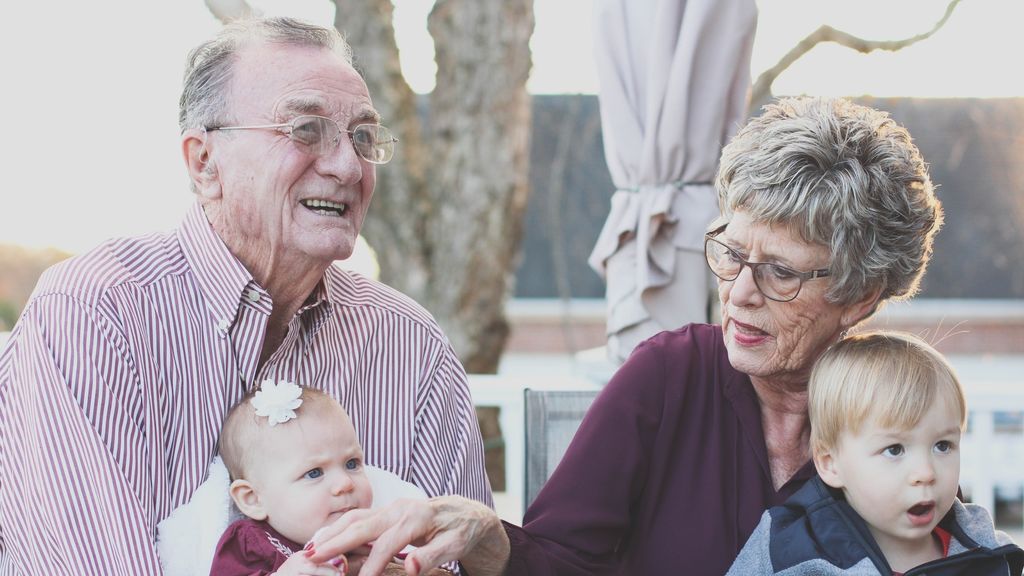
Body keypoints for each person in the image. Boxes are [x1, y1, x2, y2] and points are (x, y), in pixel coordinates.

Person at [305, 96, 947, 576]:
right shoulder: (669, 376)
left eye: (780, 272)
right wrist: (486, 535)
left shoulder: (899, 409)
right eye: (729, 251)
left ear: (860, 296)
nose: (740, 292)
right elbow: (559, 560)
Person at [0, 17, 491, 574]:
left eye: (361, 137)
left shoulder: (411, 345)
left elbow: (467, 562)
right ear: (204, 163)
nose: (348, 165)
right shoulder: (94, 315)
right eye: (306, 129)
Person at [727, 331, 1024, 575]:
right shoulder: (790, 551)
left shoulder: (985, 550)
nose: (926, 473)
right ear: (830, 463)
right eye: (894, 449)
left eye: (942, 446)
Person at [211, 381, 372, 575]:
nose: (346, 483)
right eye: (314, 473)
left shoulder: (373, 537)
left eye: (352, 463)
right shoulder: (251, 543)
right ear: (253, 499)